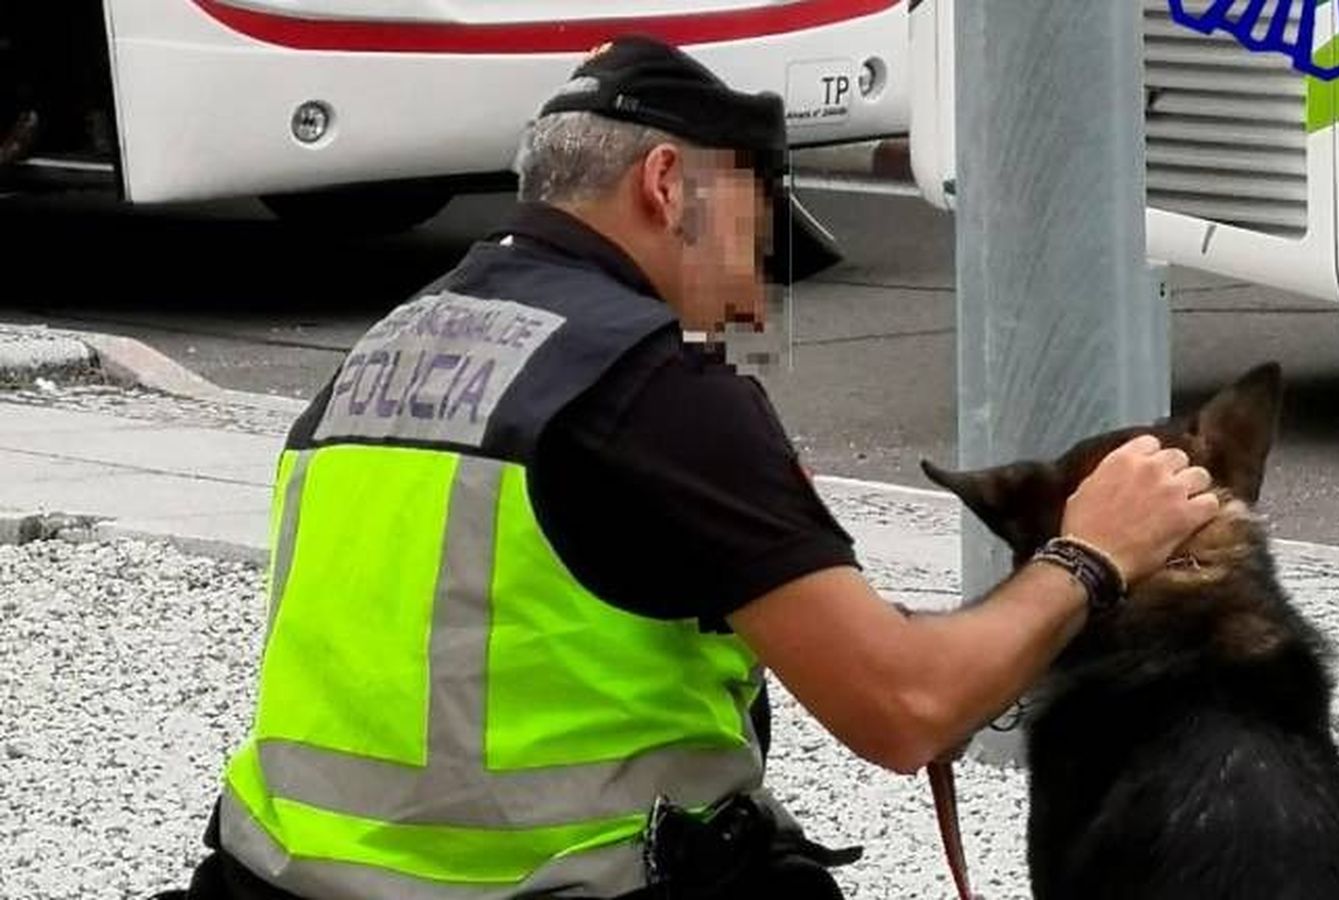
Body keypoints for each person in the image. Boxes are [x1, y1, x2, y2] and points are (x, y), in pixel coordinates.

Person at [162, 35, 1220, 900]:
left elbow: (502, 616)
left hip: (283, 885)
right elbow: (902, 713)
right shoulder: (651, 384)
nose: (754, 297)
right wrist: (1090, 554)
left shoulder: (390, 346)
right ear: (668, 185)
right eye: (753, 233)